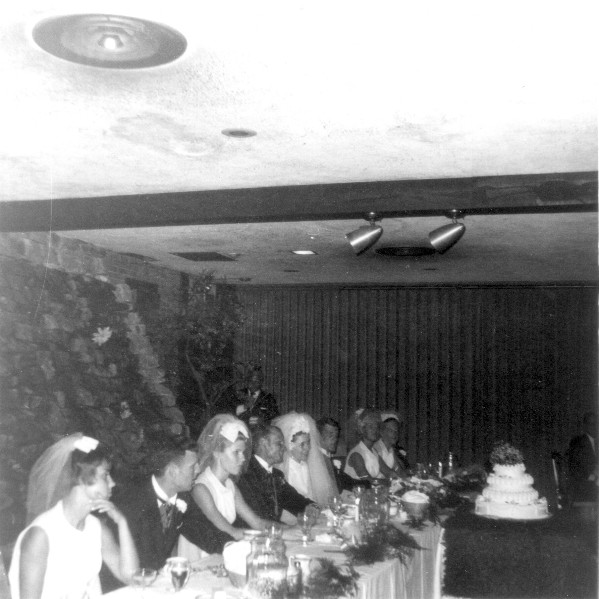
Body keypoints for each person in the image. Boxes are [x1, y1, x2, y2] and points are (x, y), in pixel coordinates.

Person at [9, 433, 139, 599]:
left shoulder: (96, 528)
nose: (112, 483)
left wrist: (122, 522)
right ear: (82, 479)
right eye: (105, 475)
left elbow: (131, 577)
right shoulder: (41, 535)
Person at [115, 435, 231, 573]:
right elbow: (140, 560)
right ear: (172, 471)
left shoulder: (183, 497)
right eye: (193, 466)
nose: (198, 470)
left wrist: (237, 549)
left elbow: (207, 534)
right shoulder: (133, 502)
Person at [179, 414, 274, 560]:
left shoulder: (230, 485)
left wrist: (290, 531)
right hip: (201, 556)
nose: (243, 458)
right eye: (236, 452)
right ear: (217, 452)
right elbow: (230, 532)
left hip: (223, 549)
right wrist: (270, 537)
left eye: (243, 452)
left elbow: (257, 522)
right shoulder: (201, 488)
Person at [237, 424, 317, 522]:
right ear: (263, 443)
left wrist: (315, 507)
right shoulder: (246, 473)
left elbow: (297, 502)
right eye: (279, 443)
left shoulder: (277, 475)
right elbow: (261, 518)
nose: (285, 448)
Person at [272, 412, 338, 508]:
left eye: (308, 443)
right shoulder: (285, 469)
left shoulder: (308, 465)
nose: (307, 448)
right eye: (302, 445)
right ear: (290, 446)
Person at [316, 417, 368, 493]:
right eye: (330, 435)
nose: (335, 439)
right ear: (318, 436)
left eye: (336, 436)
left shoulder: (327, 456)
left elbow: (345, 480)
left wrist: (369, 484)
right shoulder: (317, 460)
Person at [344, 408, 386, 482]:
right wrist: (389, 482)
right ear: (362, 429)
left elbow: (389, 472)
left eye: (376, 426)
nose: (375, 430)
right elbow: (368, 480)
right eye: (371, 426)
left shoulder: (374, 452)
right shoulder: (356, 454)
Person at [567, 411, 598, 502]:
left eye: (596, 424)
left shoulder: (597, 442)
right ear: (585, 426)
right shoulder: (578, 442)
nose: (594, 427)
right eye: (591, 424)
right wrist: (594, 478)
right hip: (584, 486)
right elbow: (575, 469)